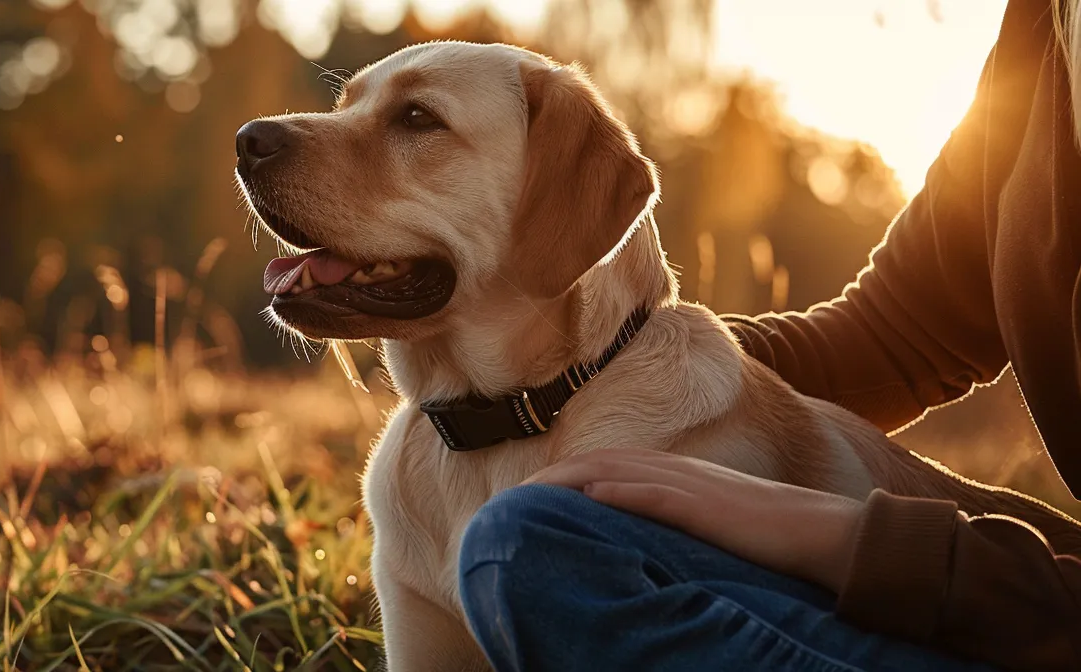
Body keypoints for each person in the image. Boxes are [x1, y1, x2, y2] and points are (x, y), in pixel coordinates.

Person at [457, 0, 1081, 670]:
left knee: (532, 549)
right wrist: (625, 349)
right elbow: (897, 333)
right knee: (562, 538)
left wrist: (846, 540)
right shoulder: (1041, 28)